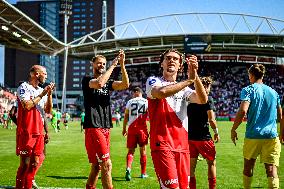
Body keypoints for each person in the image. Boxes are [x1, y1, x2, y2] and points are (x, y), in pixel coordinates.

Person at [146, 48, 208, 189]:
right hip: (162, 145)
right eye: (168, 58)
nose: (171, 60)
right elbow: (161, 93)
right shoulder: (153, 81)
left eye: (175, 59)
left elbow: (202, 99)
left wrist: (195, 75)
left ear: (180, 65)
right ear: (161, 63)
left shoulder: (185, 89)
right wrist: (189, 80)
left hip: (182, 146)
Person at [82, 49, 129, 189]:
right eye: (99, 63)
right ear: (93, 64)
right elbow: (100, 83)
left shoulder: (109, 82)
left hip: (105, 126)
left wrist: (122, 64)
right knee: (106, 164)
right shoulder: (87, 80)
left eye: (104, 63)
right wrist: (113, 65)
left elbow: (125, 85)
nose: (102, 65)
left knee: (96, 166)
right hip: (93, 125)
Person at [231, 64, 282, 189]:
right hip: (271, 136)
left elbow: (243, 111)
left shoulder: (248, 90)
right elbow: (281, 116)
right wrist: (282, 134)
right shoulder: (274, 92)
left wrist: (234, 129)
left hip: (253, 135)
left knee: (248, 166)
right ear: (263, 75)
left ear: (251, 75)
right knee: (271, 169)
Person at [15, 65, 55, 189]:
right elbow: (27, 105)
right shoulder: (24, 87)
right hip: (27, 132)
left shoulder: (40, 90)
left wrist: (48, 95)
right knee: (25, 164)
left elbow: (47, 111)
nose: (46, 76)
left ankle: (27, 186)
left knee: (34, 164)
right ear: (36, 74)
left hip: (39, 132)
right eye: (45, 73)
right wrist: (43, 93)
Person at [187, 76, 220, 189]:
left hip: (190, 138)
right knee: (211, 163)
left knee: (191, 169)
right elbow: (211, 119)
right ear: (207, 87)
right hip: (204, 138)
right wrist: (216, 132)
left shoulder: (189, 98)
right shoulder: (208, 99)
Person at [122, 86, 149, 181]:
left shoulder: (130, 102)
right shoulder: (146, 102)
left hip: (132, 129)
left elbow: (125, 116)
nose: (133, 94)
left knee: (131, 151)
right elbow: (151, 116)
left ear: (136, 92)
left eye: (133, 93)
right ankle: (143, 173)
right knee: (143, 152)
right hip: (142, 130)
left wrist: (124, 129)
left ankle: (128, 169)